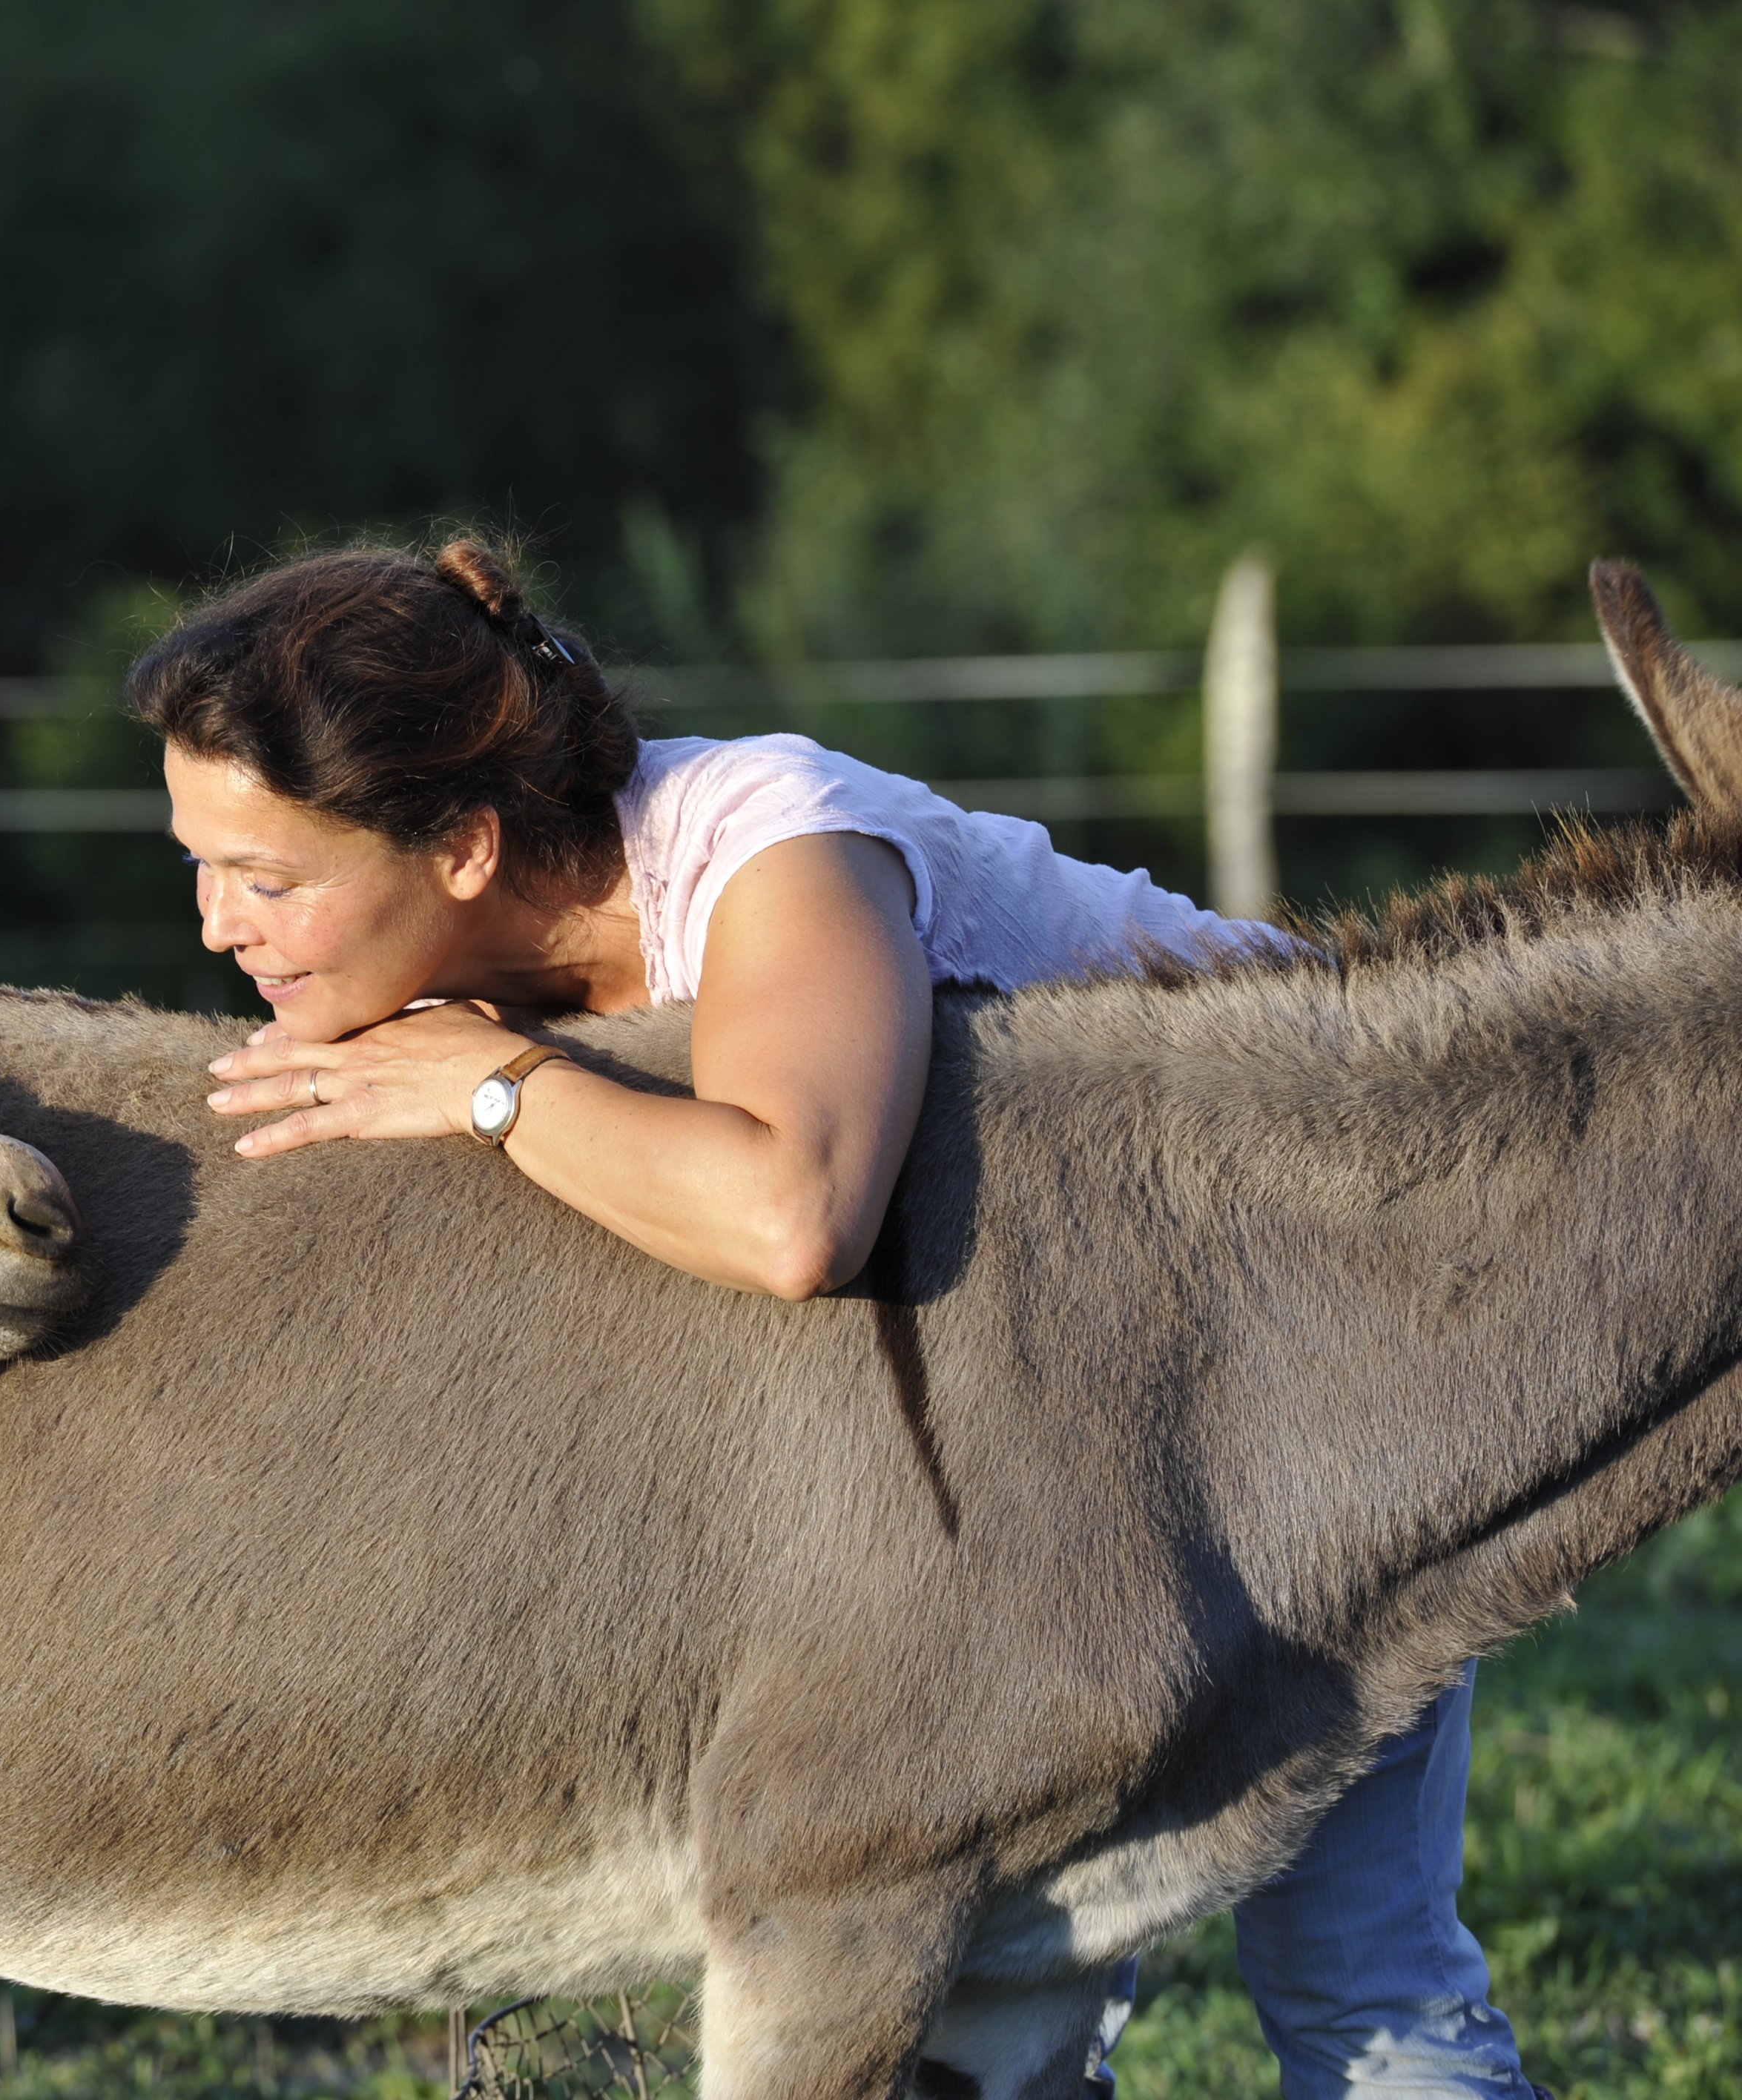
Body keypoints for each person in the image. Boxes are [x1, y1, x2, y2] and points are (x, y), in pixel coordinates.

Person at [131, 537, 1541, 2100]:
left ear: (463, 845)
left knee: (1361, 1996)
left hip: (1325, 1329)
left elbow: (791, 1215)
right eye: (196, 863)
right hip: (1048, 1446)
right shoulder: (442, 958)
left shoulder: (773, 846)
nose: (213, 925)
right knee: (992, 2022)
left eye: (263, 879)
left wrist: (494, 1086)